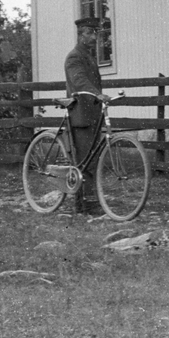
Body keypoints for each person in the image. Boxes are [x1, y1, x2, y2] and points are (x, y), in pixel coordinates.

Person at [64, 16, 109, 212]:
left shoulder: (89, 57)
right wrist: (97, 94)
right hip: (81, 114)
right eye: (89, 33)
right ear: (80, 35)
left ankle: (87, 201)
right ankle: (85, 203)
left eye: (95, 33)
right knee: (85, 159)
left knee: (92, 158)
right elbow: (80, 81)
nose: (94, 37)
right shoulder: (74, 57)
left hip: (92, 113)